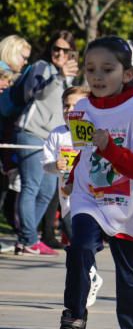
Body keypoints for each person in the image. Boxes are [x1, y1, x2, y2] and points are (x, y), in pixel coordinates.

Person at [45, 36, 133, 329]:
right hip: (88, 197)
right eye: (91, 69)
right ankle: (74, 320)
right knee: (79, 247)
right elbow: (82, 151)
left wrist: (110, 147)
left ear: (125, 74)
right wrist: (71, 172)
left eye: (107, 69)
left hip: (125, 204)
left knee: (129, 276)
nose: (97, 76)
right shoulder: (82, 109)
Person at [15, 31, 78, 256]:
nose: (59, 53)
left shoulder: (71, 77)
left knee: (48, 190)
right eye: (55, 49)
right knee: (31, 186)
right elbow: (36, 95)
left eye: (65, 50)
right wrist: (58, 77)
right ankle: (29, 239)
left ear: (73, 53)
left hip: (51, 138)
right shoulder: (43, 67)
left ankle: (27, 237)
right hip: (31, 133)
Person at [42, 86, 101, 306]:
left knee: (84, 244)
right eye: (66, 105)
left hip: (89, 200)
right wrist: (53, 165)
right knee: (75, 246)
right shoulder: (57, 134)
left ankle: (91, 278)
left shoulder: (91, 131)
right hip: (66, 201)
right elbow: (45, 164)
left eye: (76, 105)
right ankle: (90, 277)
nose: (70, 110)